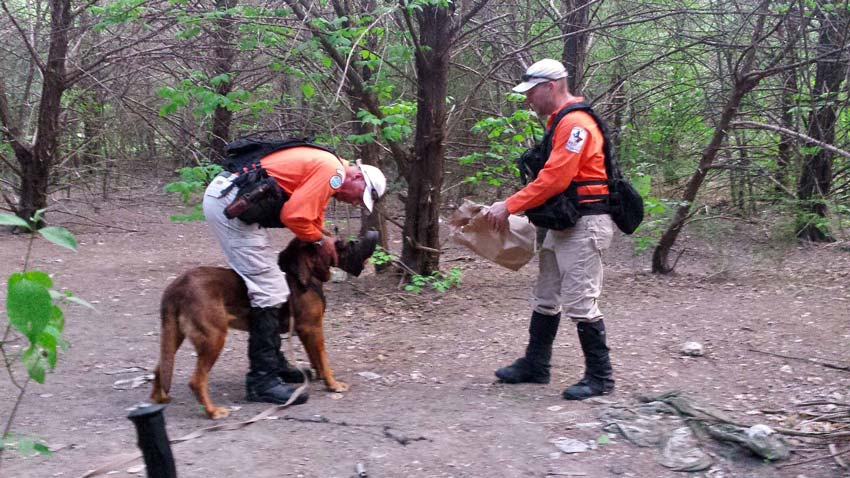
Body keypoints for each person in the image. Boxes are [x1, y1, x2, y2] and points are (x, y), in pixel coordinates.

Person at [203, 146, 387, 405]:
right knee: (269, 289)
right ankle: (262, 380)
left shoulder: (329, 169)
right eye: (361, 197)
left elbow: (311, 222)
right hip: (230, 206)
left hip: (233, 201)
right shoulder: (332, 172)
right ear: (357, 178)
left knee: (271, 284)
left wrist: (323, 240)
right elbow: (295, 216)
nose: (356, 203)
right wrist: (322, 241)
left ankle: (275, 365)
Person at [484, 58, 615, 400]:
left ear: (551, 86)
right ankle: (536, 365)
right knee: (546, 297)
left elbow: (555, 178)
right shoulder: (561, 123)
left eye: (531, 93)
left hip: (586, 224)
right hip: (565, 224)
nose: (528, 100)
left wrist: (509, 205)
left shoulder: (576, 125)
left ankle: (600, 378)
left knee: (581, 301)